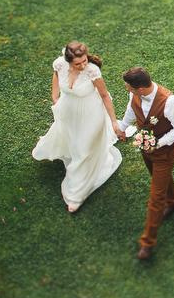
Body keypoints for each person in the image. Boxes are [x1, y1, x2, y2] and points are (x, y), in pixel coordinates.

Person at [32, 41, 124, 212]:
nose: (82, 65)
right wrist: (55, 97)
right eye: (77, 63)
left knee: (84, 149)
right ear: (68, 61)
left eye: (84, 61)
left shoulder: (92, 71)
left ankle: (77, 194)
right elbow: (56, 77)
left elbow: (104, 96)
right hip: (69, 111)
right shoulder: (60, 64)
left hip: (91, 112)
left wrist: (113, 121)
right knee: (72, 140)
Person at [117, 66, 174, 260]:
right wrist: (122, 127)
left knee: (156, 198)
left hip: (164, 153)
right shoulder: (135, 96)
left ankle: (147, 242)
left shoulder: (170, 101)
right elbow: (131, 111)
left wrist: (159, 143)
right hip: (145, 149)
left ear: (140, 89)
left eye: (129, 87)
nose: (127, 90)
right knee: (161, 181)